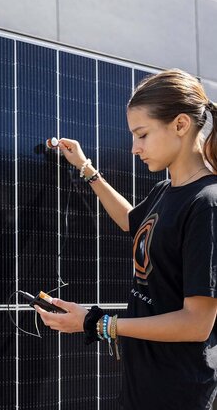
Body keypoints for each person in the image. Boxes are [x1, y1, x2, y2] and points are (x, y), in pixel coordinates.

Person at [35, 69, 217, 409]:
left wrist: (97, 323)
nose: (134, 148)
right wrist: (87, 169)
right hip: (143, 384)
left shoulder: (207, 204)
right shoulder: (166, 191)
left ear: (180, 124)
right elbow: (132, 221)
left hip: (178, 392)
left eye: (143, 135)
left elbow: (197, 323)